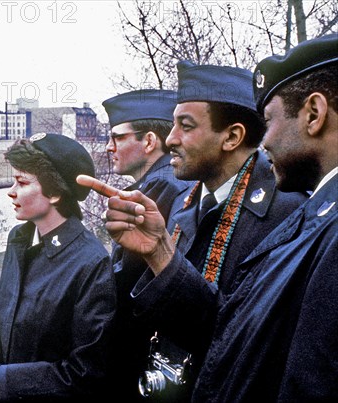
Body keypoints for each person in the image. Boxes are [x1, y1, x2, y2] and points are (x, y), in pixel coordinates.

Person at [94, 34, 337, 401]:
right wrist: (158, 252)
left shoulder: (292, 212)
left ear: (232, 137)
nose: (170, 139)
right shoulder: (183, 204)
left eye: (185, 126)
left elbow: (250, 345)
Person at [0, 133, 117, 402]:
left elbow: (85, 373)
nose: (11, 191)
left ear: (55, 192)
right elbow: (17, 320)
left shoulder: (91, 263)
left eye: (22, 182)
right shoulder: (19, 238)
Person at [101, 89, 191, 400]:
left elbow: (125, 284)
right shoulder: (163, 183)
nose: (109, 147)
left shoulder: (161, 187)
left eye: (118, 137)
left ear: (150, 141)